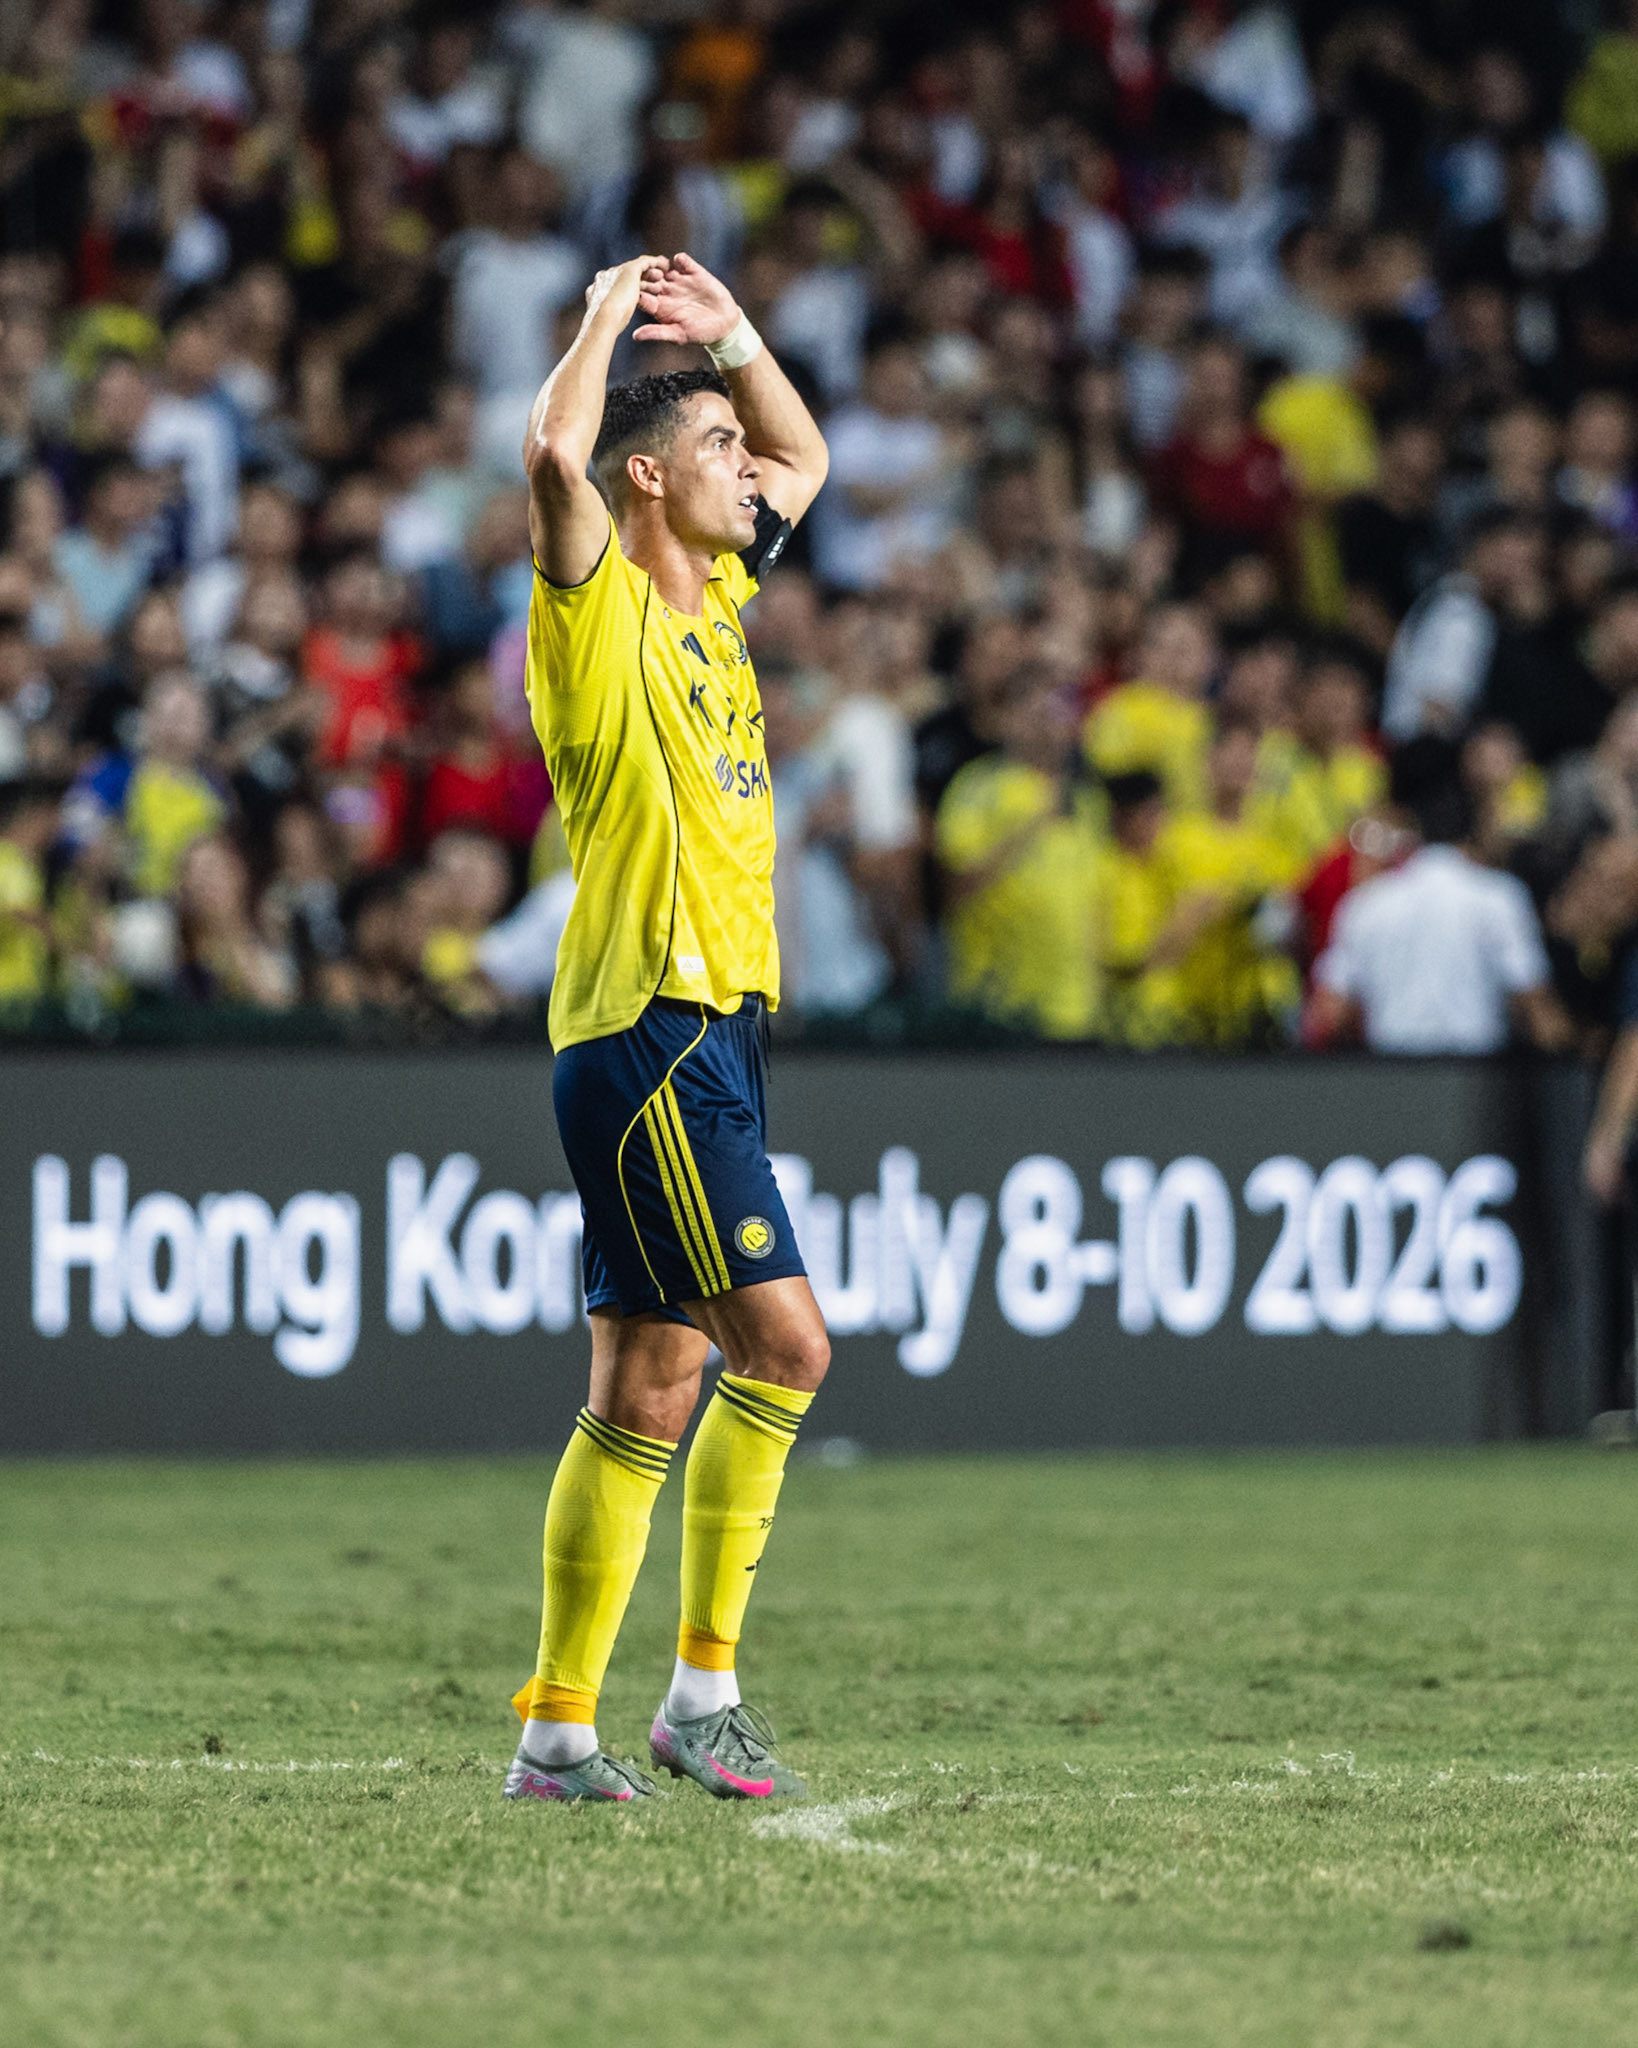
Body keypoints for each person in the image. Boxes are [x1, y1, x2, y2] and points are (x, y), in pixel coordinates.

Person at [506, 251, 830, 1806]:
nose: (749, 468)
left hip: (705, 1025)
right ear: (651, 474)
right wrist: (595, 319)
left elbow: (809, 455)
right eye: (715, 446)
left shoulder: (726, 603)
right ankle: (701, 1695)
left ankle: (556, 1732)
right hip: (654, 1026)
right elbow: (548, 456)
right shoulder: (602, 610)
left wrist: (736, 340)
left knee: (644, 1386)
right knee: (784, 1345)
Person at [1311, 778, 1568, 1055]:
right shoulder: (1499, 896)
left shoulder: (1367, 903)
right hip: (1473, 1079)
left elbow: (1330, 1011)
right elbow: (1536, 1006)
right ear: (1474, 833)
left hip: (1390, 1076)